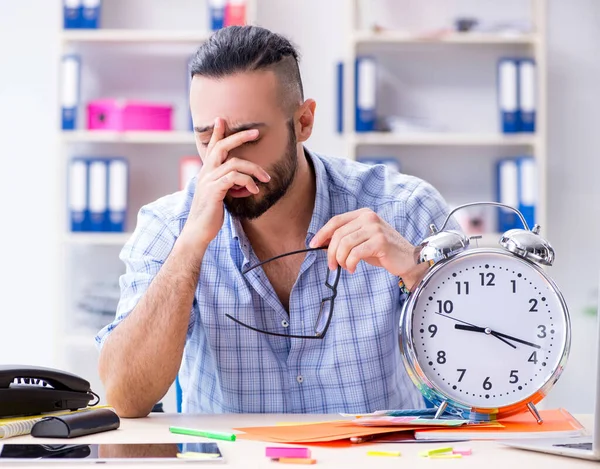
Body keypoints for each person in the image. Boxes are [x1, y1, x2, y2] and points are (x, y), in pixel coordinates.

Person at [96, 25, 458, 418]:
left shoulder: (405, 209)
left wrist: (417, 271)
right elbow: (125, 398)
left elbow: (489, 384)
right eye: (207, 139)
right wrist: (190, 246)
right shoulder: (168, 226)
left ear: (303, 122)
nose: (227, 162)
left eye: (247, 138)